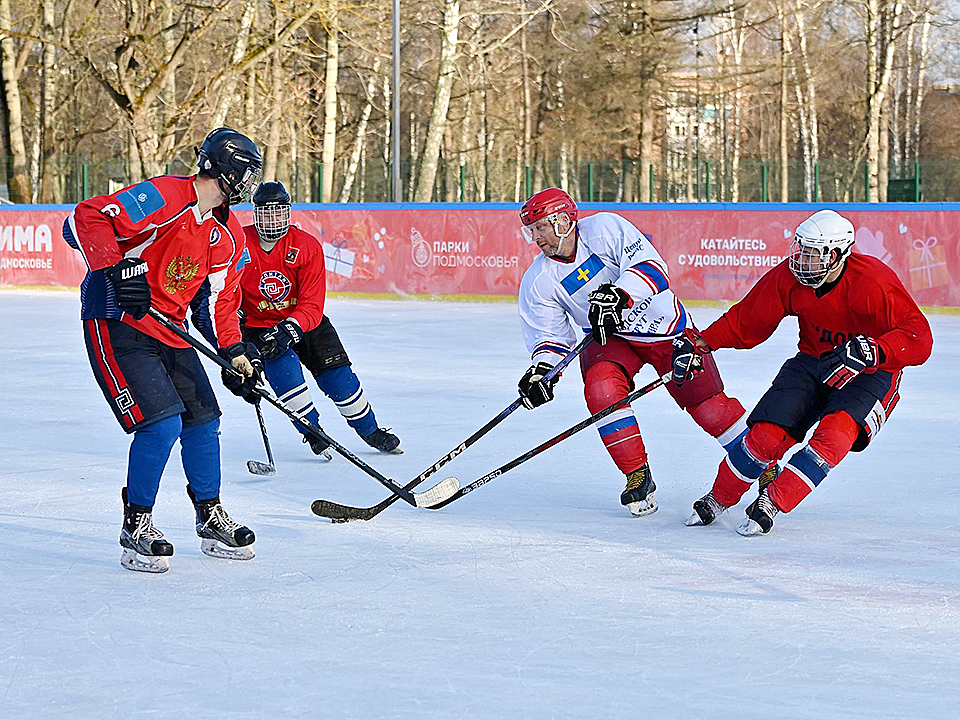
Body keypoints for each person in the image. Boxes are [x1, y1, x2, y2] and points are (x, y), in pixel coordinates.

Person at [62, 127, 265, 573]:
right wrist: (118, 270)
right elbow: (83, 219)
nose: (251, 185)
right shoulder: (167, 195)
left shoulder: (228, 233)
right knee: (161, 423)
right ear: (225, 170)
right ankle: (137, 524)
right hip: (117, 322)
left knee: (203, 419)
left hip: (169, 328)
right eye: (247, 174)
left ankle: (209, 515)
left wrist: (235, 353)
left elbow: (217, 302)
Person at [673, 209, 933, 535]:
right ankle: (719, 498)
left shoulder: (874, 282)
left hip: (872, 371)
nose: (801, 261)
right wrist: (702, 343)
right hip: (813, 361)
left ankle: (774, 499)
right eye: (801, 250)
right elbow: (748, 320)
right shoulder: (789, 277)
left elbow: (919, 337)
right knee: (765, 435)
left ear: (837, 255)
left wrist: (876, 351)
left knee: (836, 433)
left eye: (811, 254)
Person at [515, 187, 761, 516]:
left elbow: (654, 267)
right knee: (601, 389)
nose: (536, 238)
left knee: (708, 408)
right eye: (531, 230)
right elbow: (551, 337)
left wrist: (620, 295)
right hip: (608, 339)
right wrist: (543, 371)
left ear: (562, 221)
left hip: (664, 327)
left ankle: (760, 457)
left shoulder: (604, 229)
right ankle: (637, 475)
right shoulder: (538, 280)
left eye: (540, 228)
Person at [238, 181, 401, 457]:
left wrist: (291, 328)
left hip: (306, 323)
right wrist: (240, 338)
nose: (272, 219)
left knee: (339, 378)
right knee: (285, 375)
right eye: (266, 212)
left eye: (278, 212)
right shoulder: (239, 243)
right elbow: (225, 292)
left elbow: (312, 303)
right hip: (260, 326)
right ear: (255, 214)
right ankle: (312, 432)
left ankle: (369, 430)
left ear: (288, 213)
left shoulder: (306, 246)